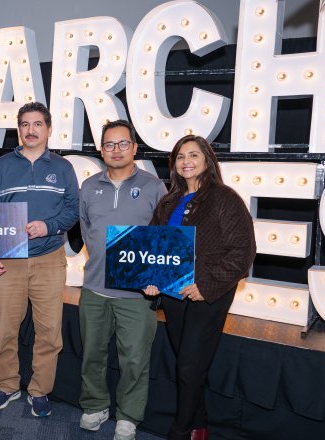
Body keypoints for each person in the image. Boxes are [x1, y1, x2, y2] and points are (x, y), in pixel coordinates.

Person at [143, 135, 256, 440]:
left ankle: (179, 431)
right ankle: (200, 425)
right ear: (174, 164)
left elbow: (243, 253)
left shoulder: (225, 198)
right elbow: (154, 247)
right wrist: (149, 278)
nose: (186, 162)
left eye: (193, 155)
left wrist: (205, 285)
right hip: (174, 294)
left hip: (207, 295)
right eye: (180, 157)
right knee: (187, 364)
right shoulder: (167, 202)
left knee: (189, 368)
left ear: (207, 159)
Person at [0, 102, 80, 417]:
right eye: (24, 124)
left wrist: (49, 226)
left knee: (49, 331)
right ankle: (7, 385)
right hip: (8, 259)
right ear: (19, 129)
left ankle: (40, 391)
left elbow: (73, 209)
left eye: (37, 124)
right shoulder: (2, 166)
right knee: (5, 327)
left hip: (49, 259)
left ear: (48, 129)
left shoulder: (63, 167)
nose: (31, 130)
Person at [78, 120, 166, 440]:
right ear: (101, 149)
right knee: (92, 353)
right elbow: (87, 230)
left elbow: (163, 237)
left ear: (134, 147)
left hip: (136, 292)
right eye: (109, 145)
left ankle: (128, 415)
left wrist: (154, 276)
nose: (115, 150)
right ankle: (95, 405)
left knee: (134, 359)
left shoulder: (154, 186)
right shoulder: (88, 186)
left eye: (122, 144)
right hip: (95, 288)